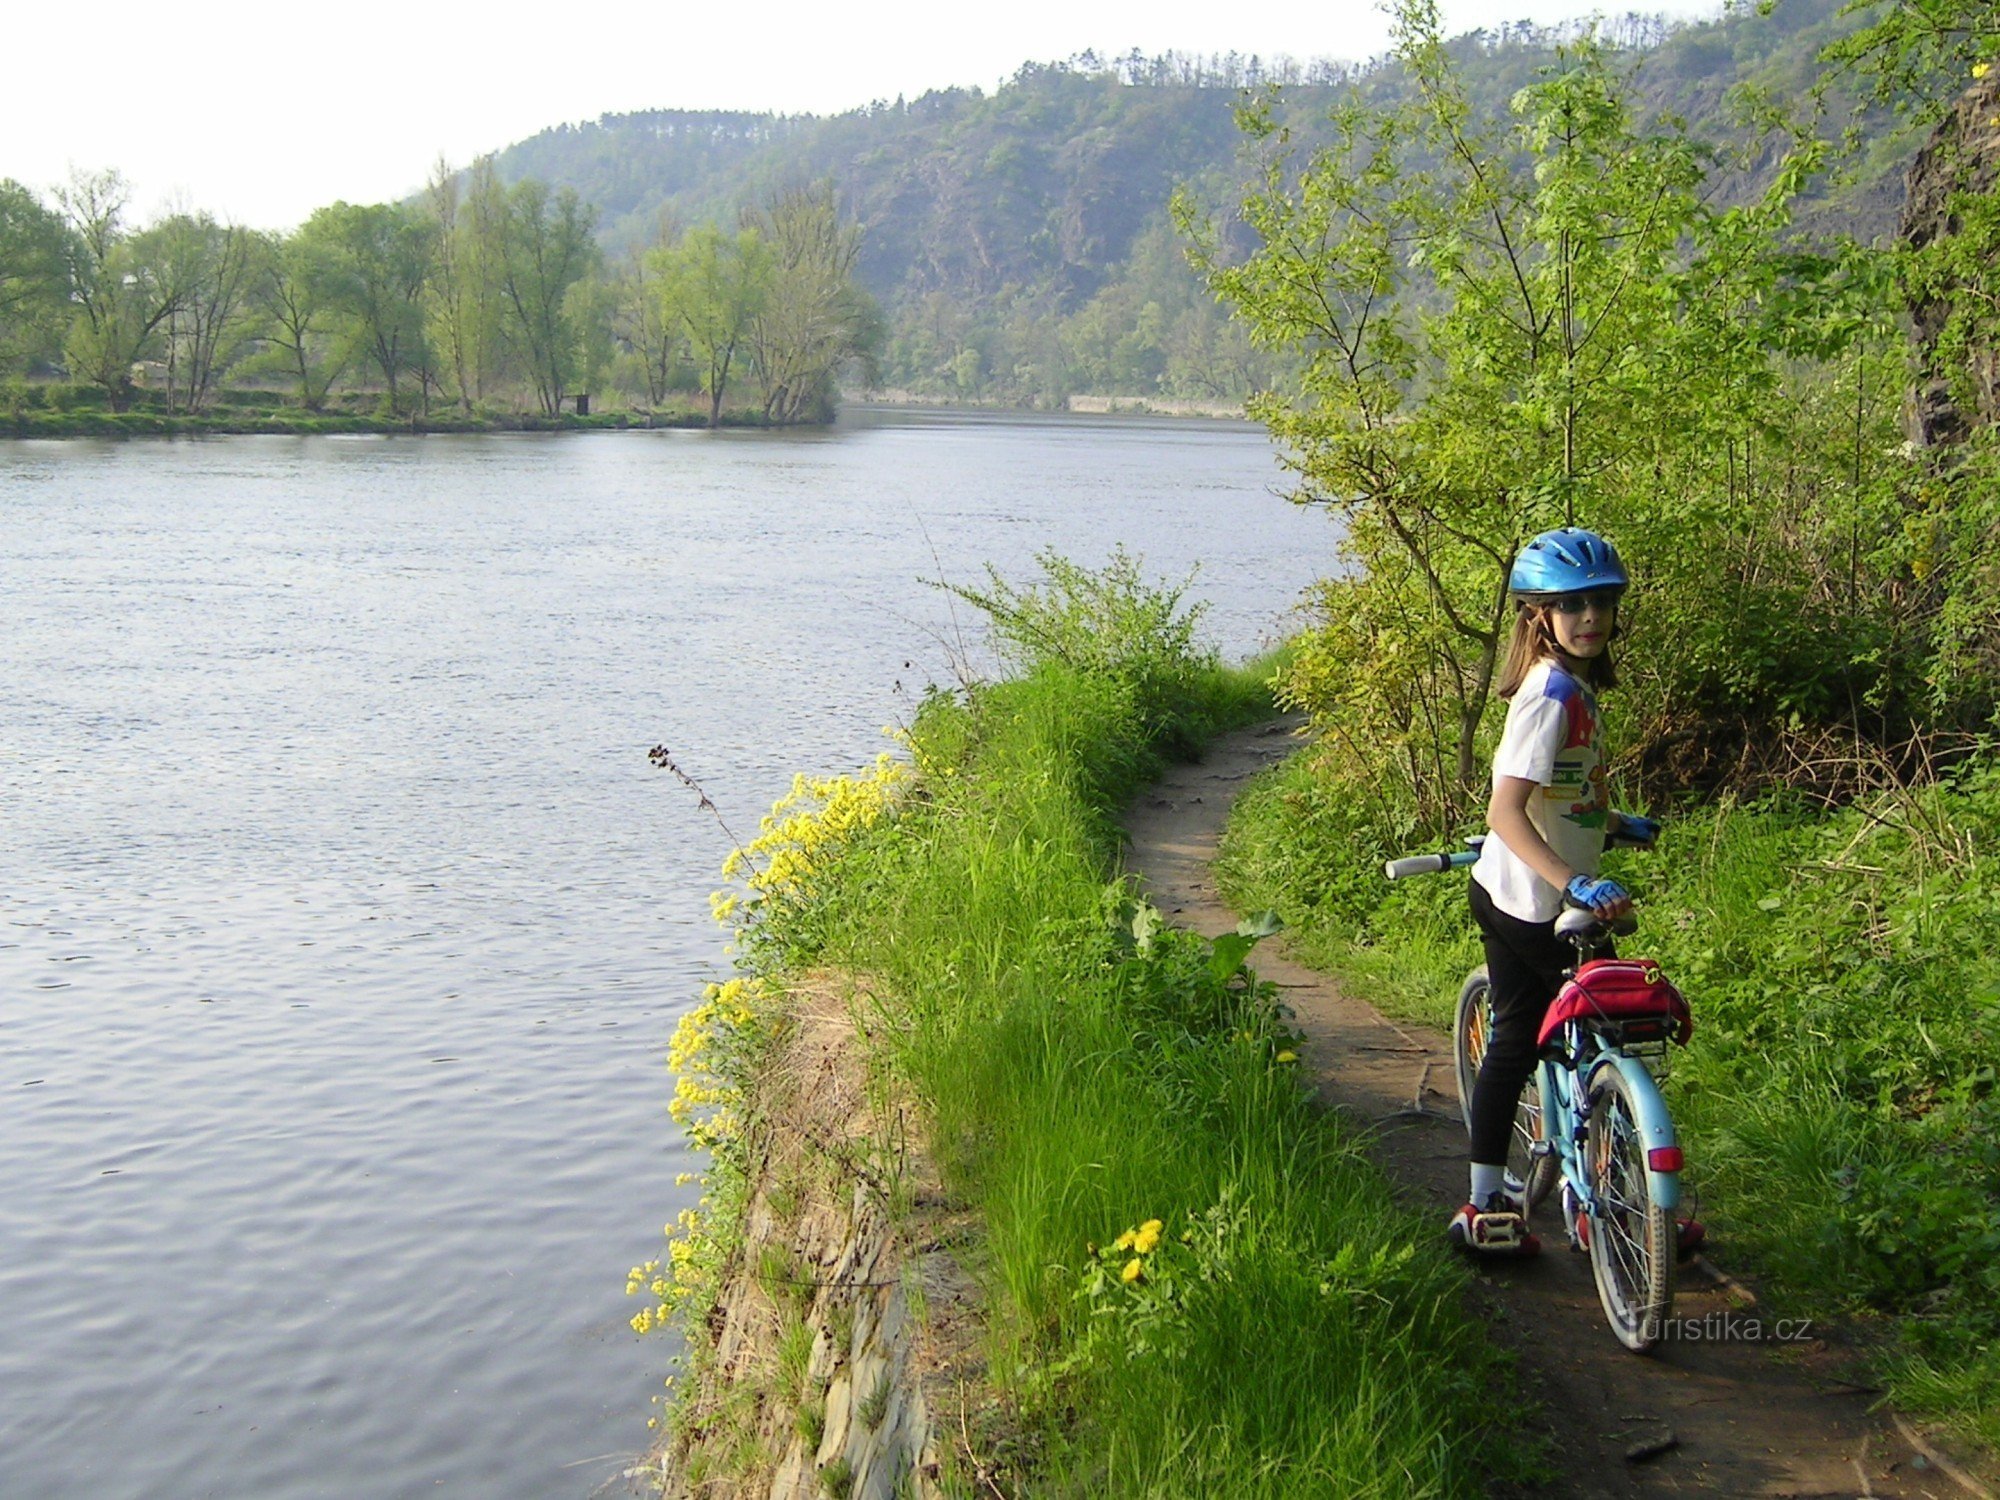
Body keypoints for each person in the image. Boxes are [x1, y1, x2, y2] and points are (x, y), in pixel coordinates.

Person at [1448, 526, 1668, 1256]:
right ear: (1539, 615)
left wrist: (1613, 822)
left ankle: (1618, 1193)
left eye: (1601, 603)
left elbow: (1564, 790)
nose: (1591, 618)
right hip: (1524, 899)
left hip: (1572, 897)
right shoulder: (1547, 694)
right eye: (1572, 605)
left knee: (1598, 1029)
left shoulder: (1578, 690)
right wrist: (1572, 874)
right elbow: (1504, 812)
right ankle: (1484, 1197)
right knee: (1516, 1036)